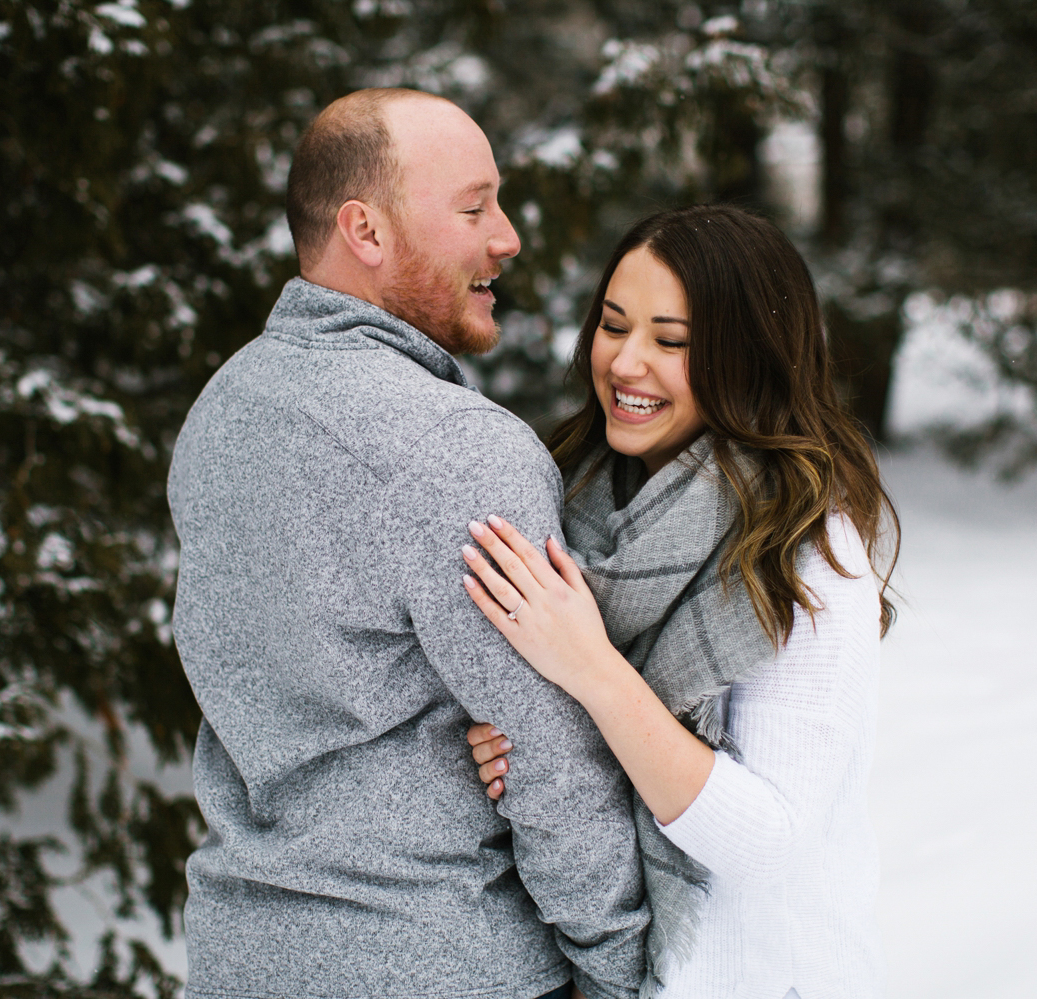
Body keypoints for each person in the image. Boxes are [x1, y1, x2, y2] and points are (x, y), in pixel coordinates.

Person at [167, 88, 648, 999]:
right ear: (367, 230)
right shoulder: (456, 446)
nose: (506, 237)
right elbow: (549, 755)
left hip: (242, 962)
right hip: (440, 960)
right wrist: (625, 968)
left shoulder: (223, 411)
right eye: (474, 207)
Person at [457, 206, 897, 999]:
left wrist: (589, 669)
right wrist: (524, 740)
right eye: (614, 326)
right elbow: (574, 741)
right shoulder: (567, 496)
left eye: (671, 341)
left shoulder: (806, 550)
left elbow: (772, 840)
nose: (627, 363)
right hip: (607, 968)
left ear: (750, 356)